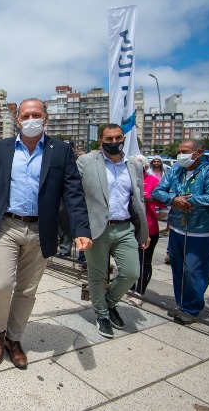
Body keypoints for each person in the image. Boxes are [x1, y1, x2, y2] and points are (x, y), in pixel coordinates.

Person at [0, 98, 92, 369]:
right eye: (26, 115)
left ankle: (14, 339)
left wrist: (81, 229)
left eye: (36, 114)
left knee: (26, 290)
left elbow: (73, 192)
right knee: (0, 285)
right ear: (18, 119)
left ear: (45, 118)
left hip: (41, 230)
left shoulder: (60, 150)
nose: (31, 119)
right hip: (7, 226)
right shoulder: (0, 148)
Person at [77, 125, 149, 338]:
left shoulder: (134, 165)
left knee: (131, 273)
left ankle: (108, 303)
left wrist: (143, 230)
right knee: (97, 276)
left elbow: (138, 199)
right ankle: (102, 315)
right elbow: (74, 194)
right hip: (97, 228)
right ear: (101, 140)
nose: (114, 141)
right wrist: (78, 229)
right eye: (109, 138)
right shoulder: (87, 161)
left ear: (123, 139)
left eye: (118, 137)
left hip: (125, 226)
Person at [152, 139, 209, 324]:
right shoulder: (176, 170)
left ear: (198, 153)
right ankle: (182, 304)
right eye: (178, 151)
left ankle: (191, 309)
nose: (180, 155)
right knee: (178, 269)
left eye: (184, 151)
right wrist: (174, 199)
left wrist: (189, 200)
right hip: (177, 227)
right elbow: (158, 192)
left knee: (194, 271)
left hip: (200, 230)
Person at [128, 155, 165, 306]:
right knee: (130, 260)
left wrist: (148, 197)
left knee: (144, 261)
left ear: (145, 167)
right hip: (129, 227)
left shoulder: (153, 181)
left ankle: (139, 292)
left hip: (148, 227)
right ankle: (129, 288)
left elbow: (163, 202)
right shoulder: (127, 178)